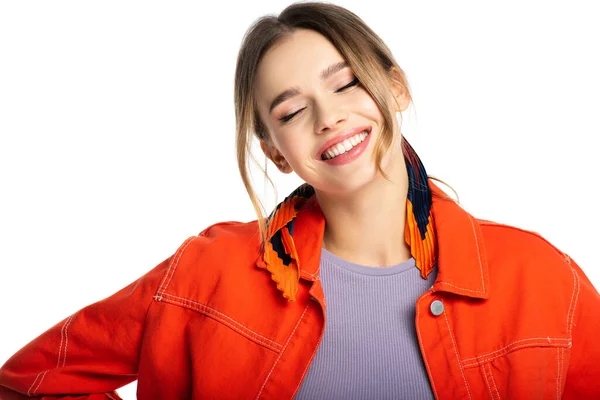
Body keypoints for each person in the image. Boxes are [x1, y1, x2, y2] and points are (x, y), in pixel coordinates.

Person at [1, 2, 599, 399]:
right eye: (290, 110)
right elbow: (31, 381)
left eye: (344, 83)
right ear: (277, 150)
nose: (328, 115)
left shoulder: (542, 277)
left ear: (395, 87)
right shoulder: (206, 272)